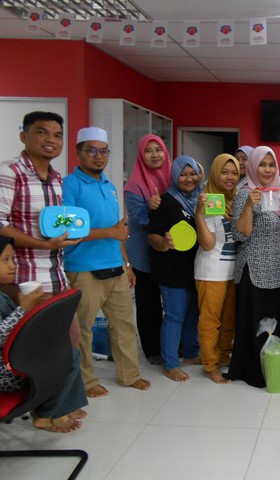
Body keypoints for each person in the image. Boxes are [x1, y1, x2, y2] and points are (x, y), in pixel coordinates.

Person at [0, 111, 87, 431]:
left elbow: (57, 224)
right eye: (42, 132)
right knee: (40, 351)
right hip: (26, 280)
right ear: (24, 136)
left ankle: (55, 405)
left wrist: (70, 236)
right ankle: (45, 413)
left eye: (57, 134)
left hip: (56, 274)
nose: (51, 140)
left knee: (70, 342)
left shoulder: (56, 178)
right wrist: (41, 244)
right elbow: (0, 225)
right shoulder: (10, 172)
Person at [63, 127, 150, 398]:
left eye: (103, 151)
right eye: (91, 150)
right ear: (78, 152)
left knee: (124, 326)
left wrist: (127, 265)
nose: (98, 156)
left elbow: (118, 230)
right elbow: (68, 232)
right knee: (83, 329)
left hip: (116, 268)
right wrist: (110, 233)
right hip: (84, 270)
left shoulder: (110, 187)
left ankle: (129, 375)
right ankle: (87, 381)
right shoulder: (69, 185)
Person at [227, 146, 280, 388]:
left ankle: (274, 368)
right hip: (253, 271)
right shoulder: (245, 194)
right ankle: (254, 371)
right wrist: (247, 206)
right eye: (262, 164)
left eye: (271, 165)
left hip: (275, 270)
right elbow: (239, 235)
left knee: (274, 323)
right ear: (253, 167)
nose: (267, 169)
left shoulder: (277, 194)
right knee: (254, 324)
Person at [147, 156, 202, 382]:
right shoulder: (165, 201)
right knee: (174, 315)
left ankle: (190, 353)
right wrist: (162, 243)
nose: (189, 179)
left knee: (192, 313)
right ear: (174, 176)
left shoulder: (203, 199)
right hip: (172, 270)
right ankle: (170, 364)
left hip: (196, 267)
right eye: (183, 174)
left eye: (193, 174)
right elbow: (152, 234)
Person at [124, 134, 172, 366]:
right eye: (148, 151)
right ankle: (152, 349)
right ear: (141, 155)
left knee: (172, 300)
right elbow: (135, 218)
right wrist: (148, 207)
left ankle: (171, 344)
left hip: (171, 249)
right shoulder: (133, 185)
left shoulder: (172, 177)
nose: (155, 155)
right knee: (148, 302)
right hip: (144, 251)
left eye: (158, 150)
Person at [194, 153, 240, 384]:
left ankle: (223, 356)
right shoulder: (208, 201)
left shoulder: (235, 200)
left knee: (229, 320)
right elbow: (208, 243)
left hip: (232, 271)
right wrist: (198, 215)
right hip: (211, 271)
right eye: (224, 172)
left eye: (234, 173)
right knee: (211, 321)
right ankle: (210, 365)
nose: (230, 177)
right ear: (215, 173)